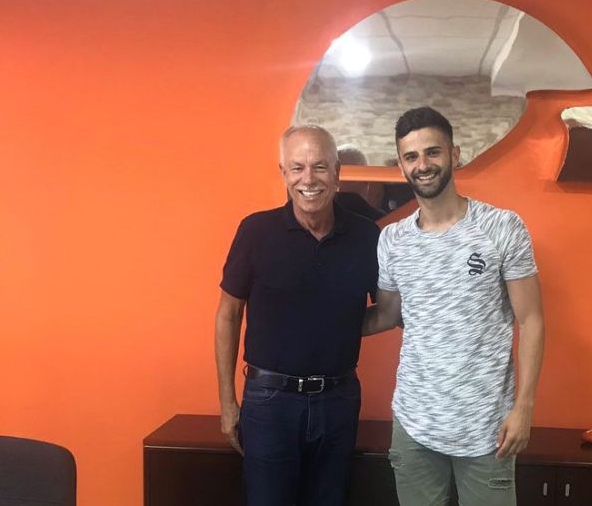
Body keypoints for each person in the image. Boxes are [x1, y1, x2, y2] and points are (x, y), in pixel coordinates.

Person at [362, 107, 545, 506]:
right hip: (414, 424)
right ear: (401, 166)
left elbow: (531, 320)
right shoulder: (392, 240)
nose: (423, 165)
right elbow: (388, 315)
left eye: (433, 152)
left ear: (454, 154)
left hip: (487, 428)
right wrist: (320, 321)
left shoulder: (502, 227)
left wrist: (524, 407)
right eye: (411, 157)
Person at [215, 125, 379, 506]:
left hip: (338, 400)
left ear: (337, 173)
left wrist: (336, 328)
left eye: (320, 167)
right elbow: (228, 315)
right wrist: (227, 403)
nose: (309, 179)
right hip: (269, 402)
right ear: (284, 173)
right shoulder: (255, 231)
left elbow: (388, 310)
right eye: (297, 167)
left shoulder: (367, 236)